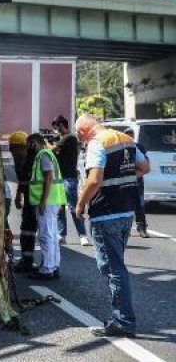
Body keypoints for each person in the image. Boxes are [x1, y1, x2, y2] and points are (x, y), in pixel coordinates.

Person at [75, 115, 149, 338]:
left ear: (84, 131)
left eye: (80, 134)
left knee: (113, 270)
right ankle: (122, 319)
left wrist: (80, 204)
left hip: (106, 213)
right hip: (126, 211)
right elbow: (144, 167)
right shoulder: (124, 139)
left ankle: (123, 322)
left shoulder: (97, 143)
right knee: (116, 268)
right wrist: (122, 177)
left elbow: (95, 179)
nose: (81, 138)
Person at [26, 133, 67, 280]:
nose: (27, 147)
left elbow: (49, 177)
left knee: (45, 235)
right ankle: (53, 265)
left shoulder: (43, 154)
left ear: (35, 143)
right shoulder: (48, 154)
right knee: (52, 235)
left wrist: (43, 201)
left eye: (28, 144)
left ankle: (47, 269)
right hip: (53, 200)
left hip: (47, 202)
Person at [51, 115, 89, 246]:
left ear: (62, 125)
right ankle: (62, 235)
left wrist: (46, 142)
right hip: (60, 178)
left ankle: (82, 235)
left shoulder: (70, 137)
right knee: (60, 207)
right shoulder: (64, 140)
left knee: (73, 207)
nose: (56, 130)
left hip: (69, 177)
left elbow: (51, 150)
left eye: (56, 127)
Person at [12, 132, 38, 272]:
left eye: (16, 148)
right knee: (28, 230)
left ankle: (30, 261)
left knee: (32, 230)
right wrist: (18, 194)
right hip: (32, 200)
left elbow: (25, 178)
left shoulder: (32, 158)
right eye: (12, 148)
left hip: (35, 200)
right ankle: (28, 259)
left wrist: (18, 195)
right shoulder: (27, 158)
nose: (14, 152)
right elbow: (22, 179)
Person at [124, 128, 149, 238]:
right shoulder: (120, 148)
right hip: (124, 181)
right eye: (127, 135)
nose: (129, 137)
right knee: (125, 205)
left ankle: (142, 227)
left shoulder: (139, 148)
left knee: (140, 205)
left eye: (131, 135)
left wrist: (134, 175)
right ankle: (126, 228)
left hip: (137, 180)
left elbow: (146, 165)